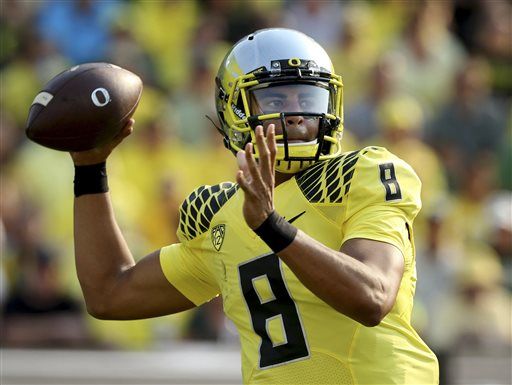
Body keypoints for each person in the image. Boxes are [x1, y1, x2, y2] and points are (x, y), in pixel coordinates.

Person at [70, 28, 438, 384]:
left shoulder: (360, 174)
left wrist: (272, 227)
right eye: (277, 100)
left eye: (307, 98)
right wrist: (90, 169)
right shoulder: (222, 216)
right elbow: (109, 294)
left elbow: (372, 296)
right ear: (235, 111)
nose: (296, 114)